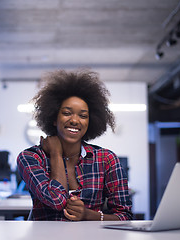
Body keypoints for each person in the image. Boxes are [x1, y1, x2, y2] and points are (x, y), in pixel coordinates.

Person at [17, 69, 133, 221]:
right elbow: (57, 200)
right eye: (67, 113)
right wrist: (56, 155)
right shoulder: (31, 158)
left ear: (90, 121)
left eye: (83, 116)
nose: (75, 120)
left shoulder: (106, 159)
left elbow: (125, 216)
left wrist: (87, 215)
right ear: (53, 118)